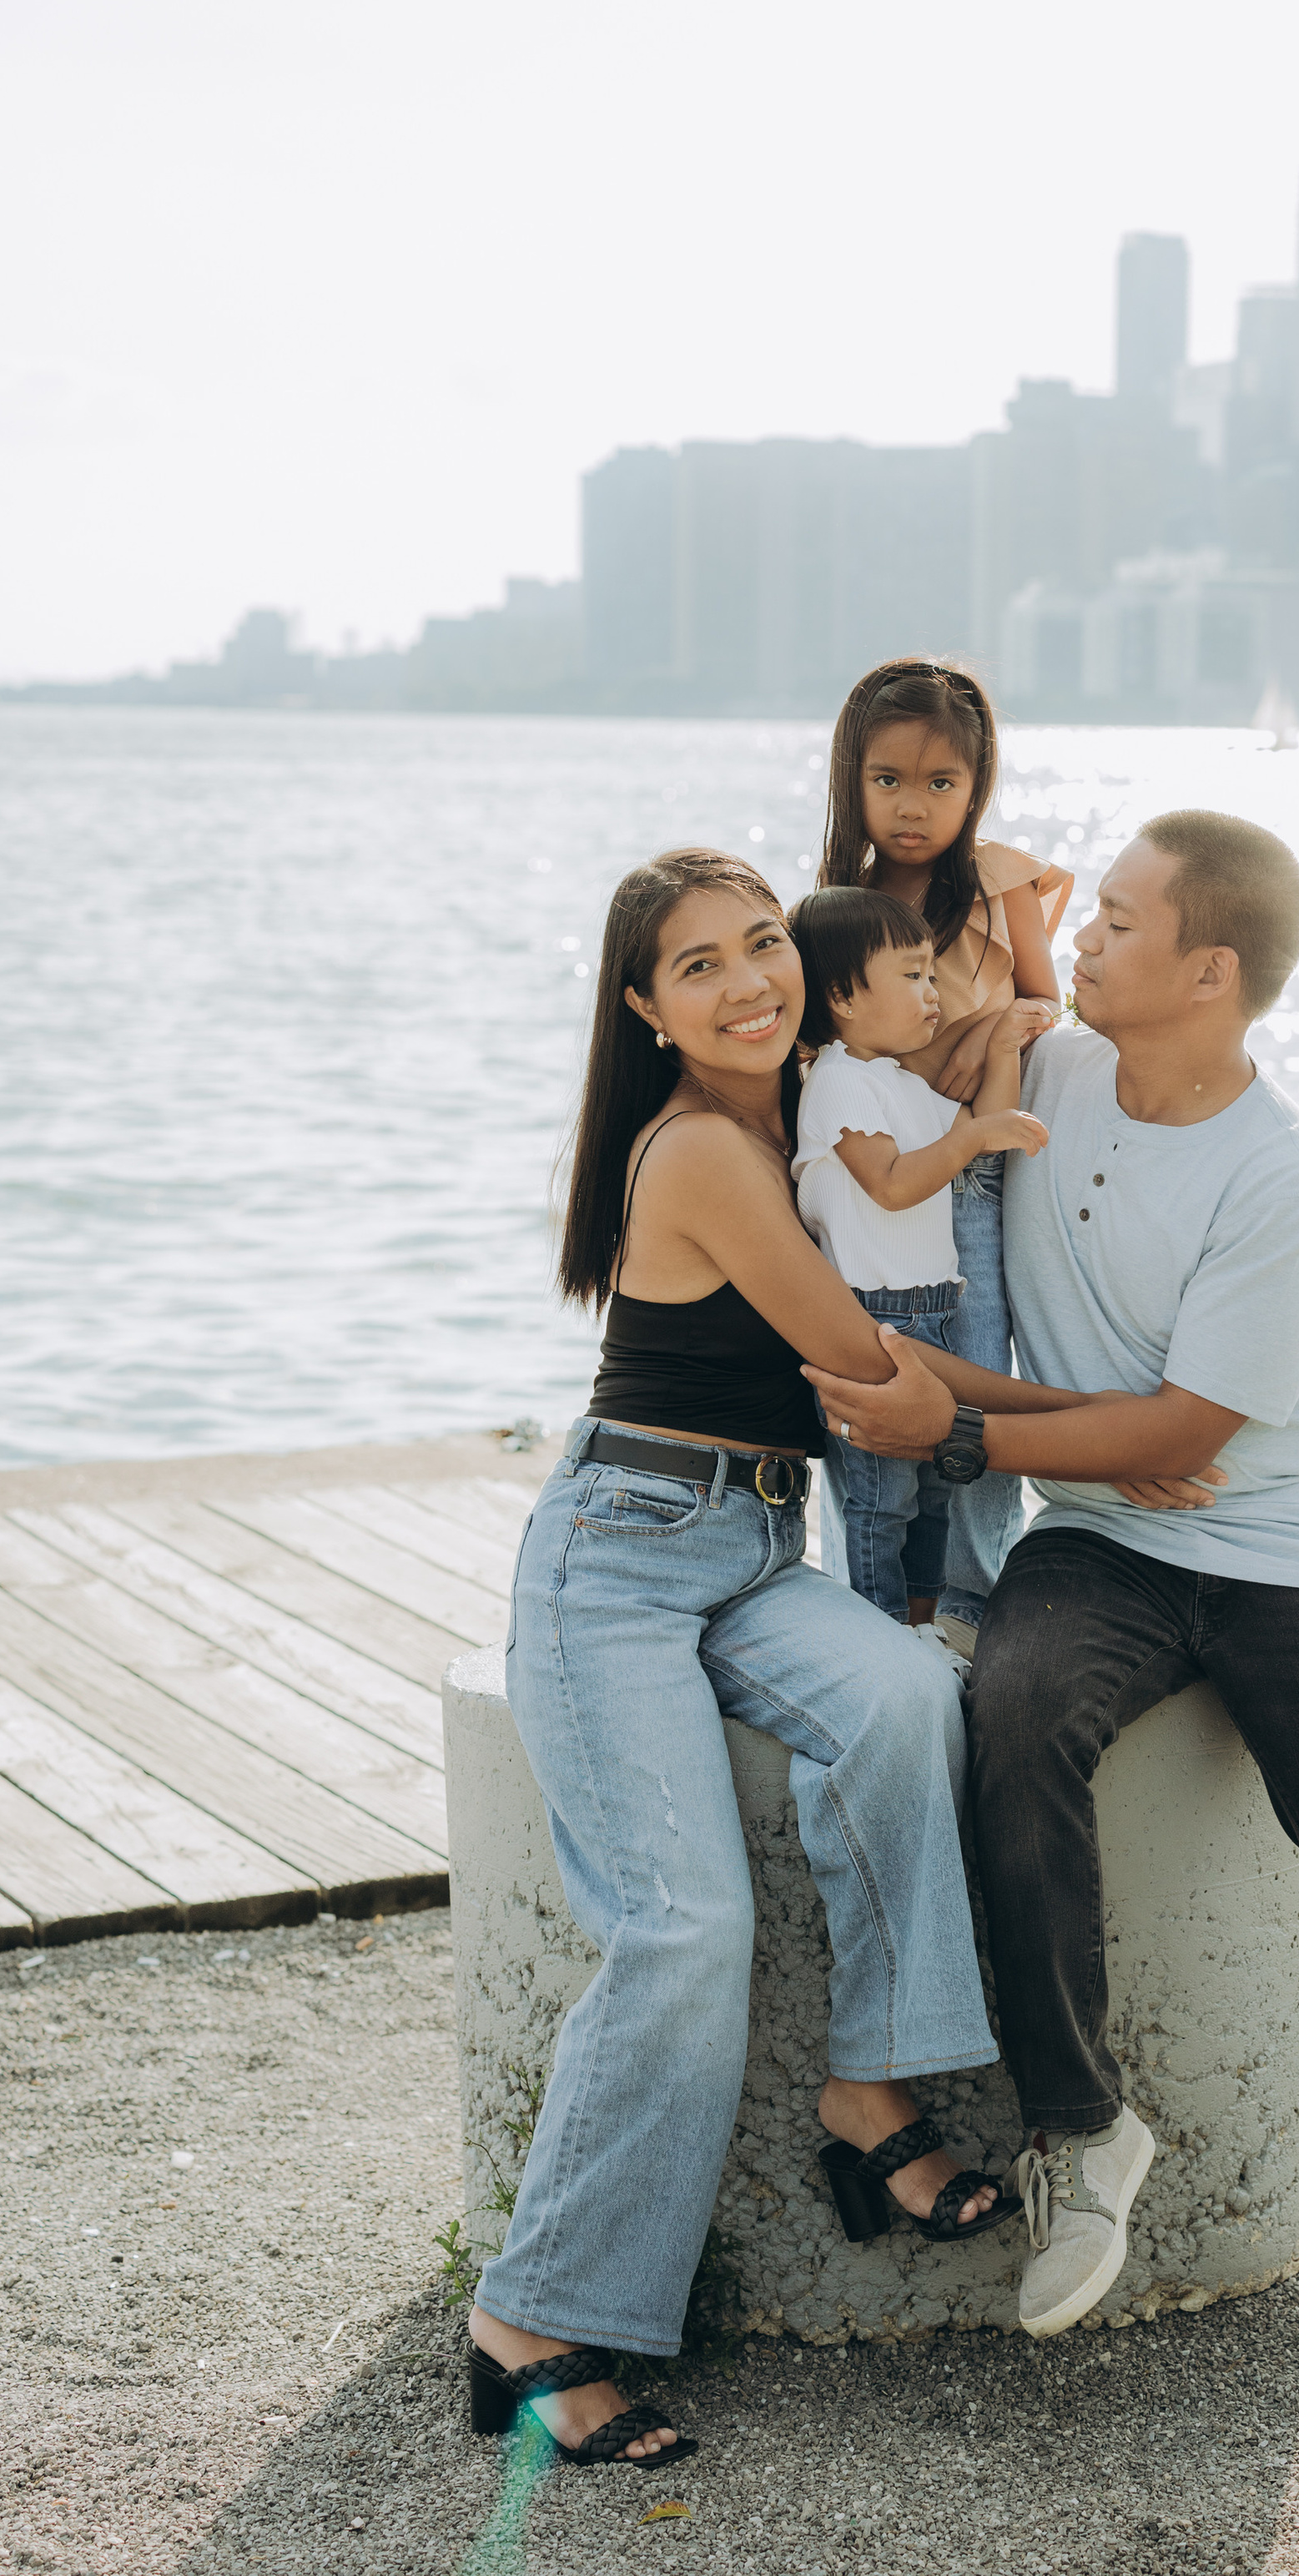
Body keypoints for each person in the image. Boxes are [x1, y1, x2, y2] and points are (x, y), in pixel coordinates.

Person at [806, 810, 1299, 2397]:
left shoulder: (1283, 1180)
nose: (1087, 945)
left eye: (1120, 924)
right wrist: (995, 889)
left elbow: (1190, 1437)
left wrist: (974, 1428)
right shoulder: (1044, 1078)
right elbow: (856, 1054)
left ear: (1209, 971)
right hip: (1101, 1536)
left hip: (1287, 1542)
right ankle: (1081, 2129)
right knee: (1009, 1715)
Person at [466, 850, 1020, 2474]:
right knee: (683, 1927)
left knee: (910, 1698)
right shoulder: (707, 1148)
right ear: (644, 1011)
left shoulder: (807, 1121)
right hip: (619, 1563)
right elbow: (862, 1364)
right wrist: (1111, 1437)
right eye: (695, 966)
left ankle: (868, 2092)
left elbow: (966, 1036)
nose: (745, 980)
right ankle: (530, 2313)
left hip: (745, 1551)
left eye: (762, 943)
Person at [814, 658, 1071, 1641]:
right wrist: (941, 1046)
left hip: (972, 1175)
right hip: (881, 1180)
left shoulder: (998, 881)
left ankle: (969, 1604)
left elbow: (1047, 1000)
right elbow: (825, 1047)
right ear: (852, 781)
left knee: (974, 1377)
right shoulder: (840, 907)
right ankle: (873, 1606)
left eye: (940, 784)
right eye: (887, 781)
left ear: (976, 786)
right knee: (879, 1403)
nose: (912, 807)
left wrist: (983, 1034)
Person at [787, 885, 1050, 1632]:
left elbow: (980, 1130)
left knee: (935, 1480)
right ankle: (880, 1628)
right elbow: (894, 1184)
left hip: (930, 1308)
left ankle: (924, 1623)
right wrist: (968, 1140)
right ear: (841, 995)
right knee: (879, 1495)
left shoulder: (899, 1082)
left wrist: (1001, 1047)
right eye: (911, 976)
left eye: (934, 975)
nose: (932, 994)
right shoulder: (837, 1080)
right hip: (872, 1321)